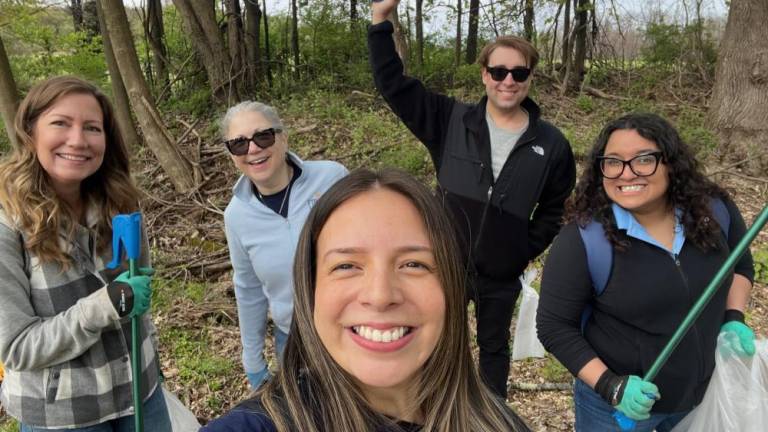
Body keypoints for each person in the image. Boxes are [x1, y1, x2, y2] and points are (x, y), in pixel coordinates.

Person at [202, 168, 531, 432]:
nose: (380, 296)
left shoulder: (498, 422)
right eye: (346, 266)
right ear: (310, 289)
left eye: (413, 264)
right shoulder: (259, 425)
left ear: (450, 286)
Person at [367, 0, 576, 397]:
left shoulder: (551, 145)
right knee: (436, 342)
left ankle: (491, 413)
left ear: (530, 77)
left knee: (494, 348)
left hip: (501, 274)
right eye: (498, 71)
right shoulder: (450, 120)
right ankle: (432, 408)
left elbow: (556, 208)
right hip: (445, 263)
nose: (507, 81)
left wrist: (523, 248)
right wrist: (381, 20)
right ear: (485, 74)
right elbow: (393, 85)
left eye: (518, 72)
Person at [536, 113, 755, 432]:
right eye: (613, 162)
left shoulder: (713, 211)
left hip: (702, 395)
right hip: (616, 410)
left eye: (643, 159)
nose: (627, 173)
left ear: (670, 162)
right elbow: (554, 326)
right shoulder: (584, 240)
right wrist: (611, 386)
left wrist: (733, 318)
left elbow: (740, 266)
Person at [0, 76, 171, 431]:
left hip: (141, 393)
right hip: (63, 416)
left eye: (92, 128)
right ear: (30, 131)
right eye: (61, 123)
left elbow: (139, 307)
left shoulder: (120, 205)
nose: (78, 140)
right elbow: (16, 348)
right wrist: (106, 305)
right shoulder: (7, 223)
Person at [220, 101, 347, 390]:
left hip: (351, 328)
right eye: (238, 144)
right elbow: (248, 289)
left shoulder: (332, 178)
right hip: (292, 342)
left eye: (263, 136)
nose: (252, 149)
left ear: (283, 137)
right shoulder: (237, 215)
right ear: (231, 154)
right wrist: (252, 361)